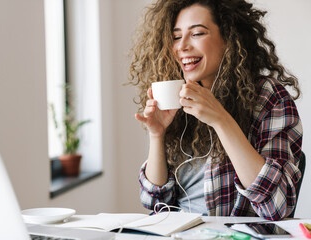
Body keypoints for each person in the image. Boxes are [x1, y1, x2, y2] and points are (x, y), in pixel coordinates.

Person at [128, 0, 303, 221]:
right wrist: (157, 134)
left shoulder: (268, 97)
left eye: (197, 33)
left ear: (229, 38)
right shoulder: (177, 96)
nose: (182, 46)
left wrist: (221, 120)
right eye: (176, 36)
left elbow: (277, 206)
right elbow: (154, 202)